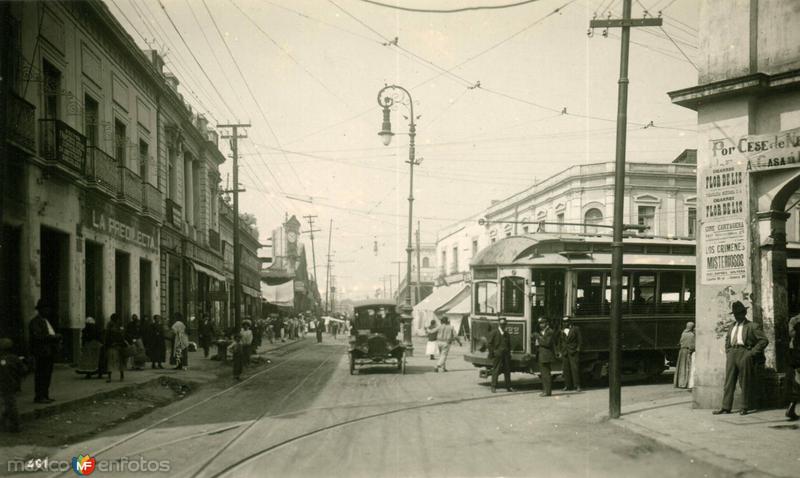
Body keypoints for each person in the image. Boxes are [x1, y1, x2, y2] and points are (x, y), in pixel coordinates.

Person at [713, 301, 768, 416]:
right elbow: (728, 339)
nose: (737, 316)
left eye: (740, 313)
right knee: (729, 381)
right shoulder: (732, 326)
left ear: (744, 313)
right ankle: (726, 407)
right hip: (732, 353)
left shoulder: (752, 326)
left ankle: (744, 407)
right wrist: (728, 351)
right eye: (735, 314)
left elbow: (764, 340)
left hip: (745, 353)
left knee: (745, 381)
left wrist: (751, 353)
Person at [29, 300, 60, 403]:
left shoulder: (46, 321)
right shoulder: (35, 322)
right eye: (46, 309)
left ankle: (45, 395)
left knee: (47, 375)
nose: (48, 311)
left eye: (49, 309)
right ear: (40, 310)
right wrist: (53, 337)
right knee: (41, 375)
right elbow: (38, 336)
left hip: (48, 352)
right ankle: (39, 396)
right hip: (41, 352)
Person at [0, 338, 27, 433]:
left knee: (8, 404)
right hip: (12, 384)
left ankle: (10, 424)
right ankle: (14, 425)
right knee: (10, 404)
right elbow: (24, 370)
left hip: (3, 384)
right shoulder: (14, 358)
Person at [487, 318, 514, 393]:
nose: (503, 325)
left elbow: (509, 345)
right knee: (496, 370)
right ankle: (493, 386)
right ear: (499, 324)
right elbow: (489, 344)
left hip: (506, 355)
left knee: (507, 371)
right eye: (502, 324)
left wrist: (509, 353)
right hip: (497, 354)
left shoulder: (507, 334)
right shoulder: (494, 332)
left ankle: (508, 387)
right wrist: (492, 352)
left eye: (504, 324)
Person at [559, 316, 582, 392]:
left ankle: (577, 386)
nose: (565, 323)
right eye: (564, 322)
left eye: (566, 321)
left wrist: (578, 348)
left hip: (573, 351)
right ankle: (567, 385)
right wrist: (560, 351)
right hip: (565, 351)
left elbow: (579, 339)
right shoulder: (562, 330)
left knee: (575, 369)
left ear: (569, 322)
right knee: (566, 369)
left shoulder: (575, 329)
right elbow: (560, 341)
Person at [535, 317, 556, 397]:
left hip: (546, 356)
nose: (541, 325)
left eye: (542, 323)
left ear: (546, 323)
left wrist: (538, 338)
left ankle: (547, 392)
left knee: (546, 374)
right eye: (540, 323)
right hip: (542, 356)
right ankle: (545, 391)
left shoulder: (550, 331)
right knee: (543, 374)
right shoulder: (542, 332)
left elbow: (547, 343)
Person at [104, 313, 128, 382]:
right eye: (118, 319)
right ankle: (119, 376)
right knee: (117, 361)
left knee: (113, 362)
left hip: (116, 346)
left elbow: (123, 335)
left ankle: (113, 377)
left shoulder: (117, 325)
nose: (119, 320)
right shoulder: (112, 325)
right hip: (114, 345)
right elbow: (108, 336)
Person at [786, 314, 800, 421]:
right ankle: (791, 407)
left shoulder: (794, 320)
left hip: (794, 354)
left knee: (797, 382)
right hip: (797, 353)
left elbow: (791, 335)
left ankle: (791, 407)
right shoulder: (795, 321)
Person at [674, 322, 695, 389]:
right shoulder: (691, 335)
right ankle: (684, 383)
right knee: (686, 367)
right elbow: (692, 346)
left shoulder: (683, 333)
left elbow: (680, 342)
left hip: (681, 351)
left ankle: (679, 383)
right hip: (687, 352)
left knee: (681, 367)